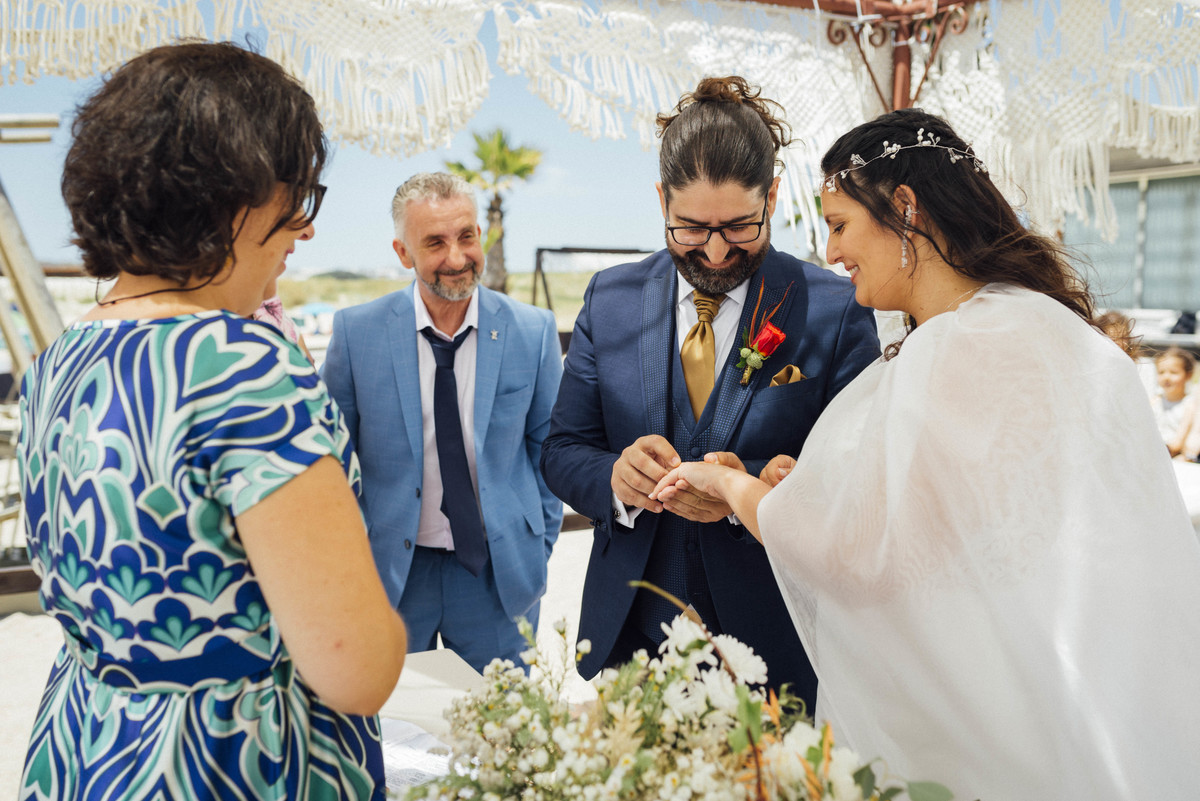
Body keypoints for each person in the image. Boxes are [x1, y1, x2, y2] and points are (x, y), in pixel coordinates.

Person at [650, 107, 1200, 800]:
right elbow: (970, 525)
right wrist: (814, 484)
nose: (831, 251)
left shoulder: (948, 350)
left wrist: (734, 490)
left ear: (904, 209)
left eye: (841, 224)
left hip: (971, 719)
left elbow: (854, 551)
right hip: (1066, 694)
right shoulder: (1047, 329)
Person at [16, 42, 407, 800]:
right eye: (295, 196)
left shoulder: (60, 358)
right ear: (231, 192)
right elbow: (354, 668)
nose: (305, 227)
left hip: (89, 749)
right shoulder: (243, 366)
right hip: (229, 767)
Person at [539, 76, 879, 707]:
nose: (717, 252)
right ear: (661, 199)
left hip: (777, 644)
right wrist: (616, 478)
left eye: (740, 226)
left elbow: (858, 477)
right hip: (629, 643)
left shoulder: (834, 309)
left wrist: (745, 484)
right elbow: (562, 448)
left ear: (773, 197)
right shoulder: (609, 299)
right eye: (691, 228)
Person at [322, 172, 563, 673]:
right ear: (402, 252)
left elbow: (551, 453)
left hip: (499, 578)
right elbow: (333, 463)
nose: (456, 258)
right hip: (391, 576)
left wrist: (536, 544)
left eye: (467, 236)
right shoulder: (355, 332)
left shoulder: (532, 331)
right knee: (394, 734)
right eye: (435, 242)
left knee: (504, 736)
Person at [1151, 346, 1196, 451]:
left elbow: (1177, 444)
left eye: (1173, 372)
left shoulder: (1189, 404)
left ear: (1188, 375)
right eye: (1161, 372)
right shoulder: (1155, 401)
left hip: (1169, 453)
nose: (1166, 377)